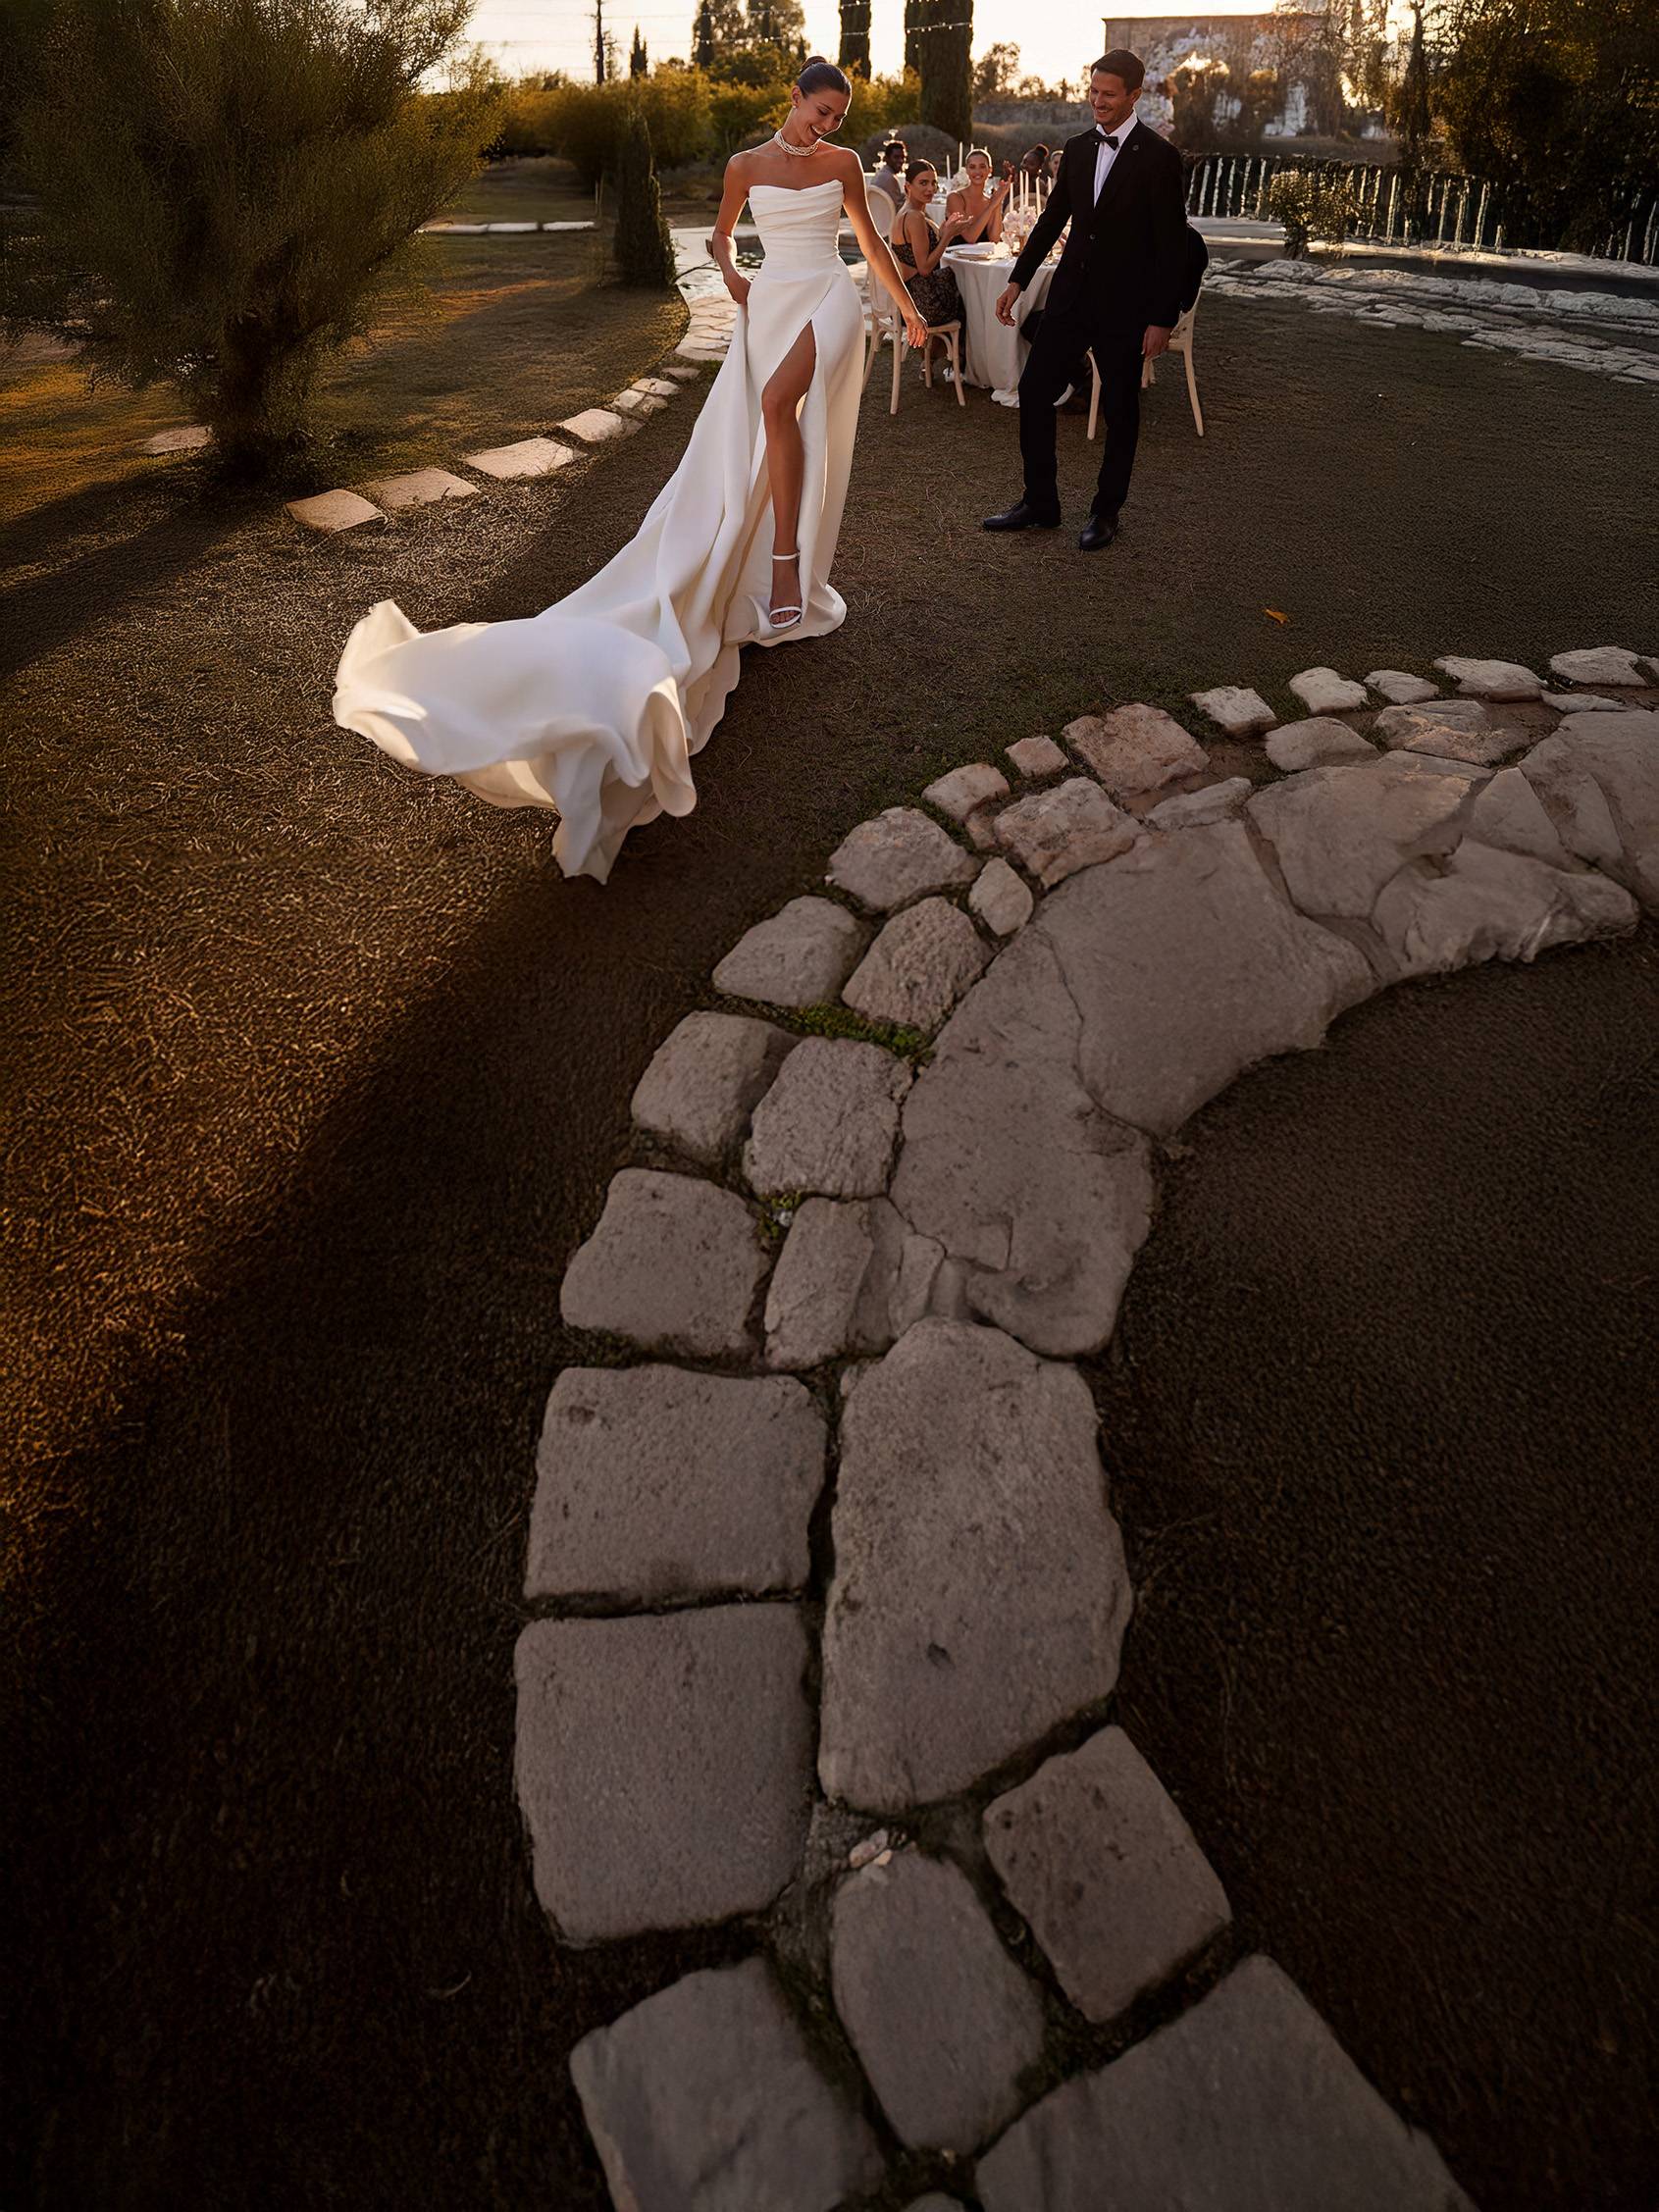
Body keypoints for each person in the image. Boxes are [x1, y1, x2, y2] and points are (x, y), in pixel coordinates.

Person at [332, 60, 926, 883]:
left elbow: (864, 239)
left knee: (779, 410)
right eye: (821, 111)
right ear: (792, 97)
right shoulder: (743, 166)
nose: (828, 127)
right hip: (770, 301)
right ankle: (766, 562)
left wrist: (902, 305)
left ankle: (788, 566)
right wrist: (728, 273)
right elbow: (720, 236)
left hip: (825, 298)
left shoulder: (843, 167)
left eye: (838, 117)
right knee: (762, 424)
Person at [983, 49, 1185, 551]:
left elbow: (1172, 248)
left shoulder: (1161, 158)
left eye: (1108, 94)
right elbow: (1053, 221)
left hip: (1126, 307)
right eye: (1093, 92)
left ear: (1134, 96)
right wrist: (1017, 280)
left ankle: (1106, 511)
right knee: (1033, 391)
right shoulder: (1075, 148)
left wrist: (1162, 319)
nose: (1097, 101)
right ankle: (1040, 502)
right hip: (1070, 298)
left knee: (1121, 410)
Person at [889, 160, 967, 360]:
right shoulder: (914, 217)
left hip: (908, 297)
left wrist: (943, 232)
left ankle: (934, 362)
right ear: (908, 186)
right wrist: (948, 236)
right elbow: (924, 268)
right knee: (970, 300)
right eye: (923, 183)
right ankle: (961, 364)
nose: (930, 188)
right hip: (922, 303)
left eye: (933, 183)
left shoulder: (907, 212)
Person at [945, 147, 1011, 244]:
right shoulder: (955, 197)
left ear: (990, 170)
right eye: (972, 167)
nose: (977, 171)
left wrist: (998, 201)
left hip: (982, 258)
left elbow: (995, 239)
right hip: (954, 258)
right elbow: (970, 238)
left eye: (982, 166)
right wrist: (992, 206)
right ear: (966, 170)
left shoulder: (989, 201)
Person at [867, 138, 907, 217]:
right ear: (886, 158)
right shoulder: (889, 178)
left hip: (879, 221)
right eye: (896, 157)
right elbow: (900, 210)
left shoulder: (881, 174)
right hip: (890, 223)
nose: (901, 161)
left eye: (903, 157)